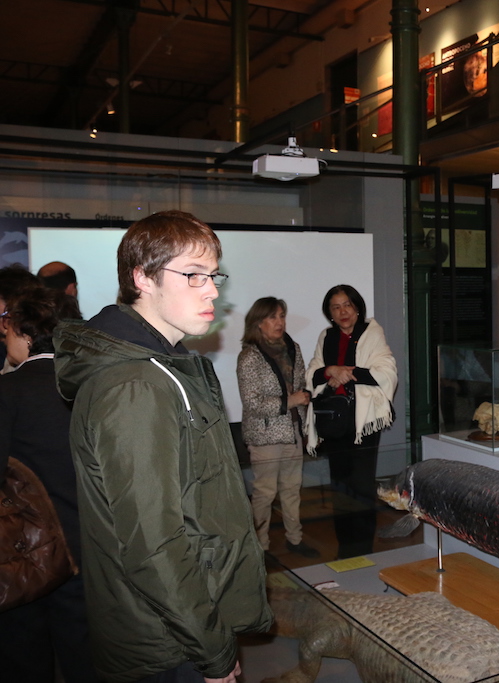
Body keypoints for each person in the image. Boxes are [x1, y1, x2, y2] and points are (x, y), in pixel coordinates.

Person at [53, 210, 272, 683]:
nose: (211, 291)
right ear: (142, 278)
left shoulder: (166, 367)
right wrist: (212, 649)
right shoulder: (135, 385)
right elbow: (153, 545)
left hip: (181, 620)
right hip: (167, 639)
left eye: (212, 276)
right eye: (193, 275)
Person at [0, 286, 98, 683]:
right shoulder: (94, 388)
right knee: (86, 661)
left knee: (26, 663)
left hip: (28, 558)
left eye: (7, 329)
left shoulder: (8, 392)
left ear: (26, 333)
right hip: (91, 552)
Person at [307, 284, 397, 560]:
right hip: (334, 420)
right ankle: (345, 550)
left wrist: (349, 373)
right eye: (335, 307)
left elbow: (387, 372)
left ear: (357, 307)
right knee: (340, 487)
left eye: (347, 304)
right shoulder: (327, 336)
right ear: (329, 313)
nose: (342, 311)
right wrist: (330, 371)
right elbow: (313, 374)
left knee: (361, 486)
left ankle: (363, 550)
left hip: (363, 422)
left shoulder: (372, 333)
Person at [236, 297, 317, 560]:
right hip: (265, 436)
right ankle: (260, 547)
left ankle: (295, 539)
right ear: (258, 323)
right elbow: (252, 404)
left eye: (282, 316)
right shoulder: (249, 357)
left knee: (292, 490)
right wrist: (290, 401)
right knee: (265, 493)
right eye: (272, 317)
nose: (279, 322)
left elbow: (301, 385)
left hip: (293, 432)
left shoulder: (293, 348)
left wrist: (305, 407)